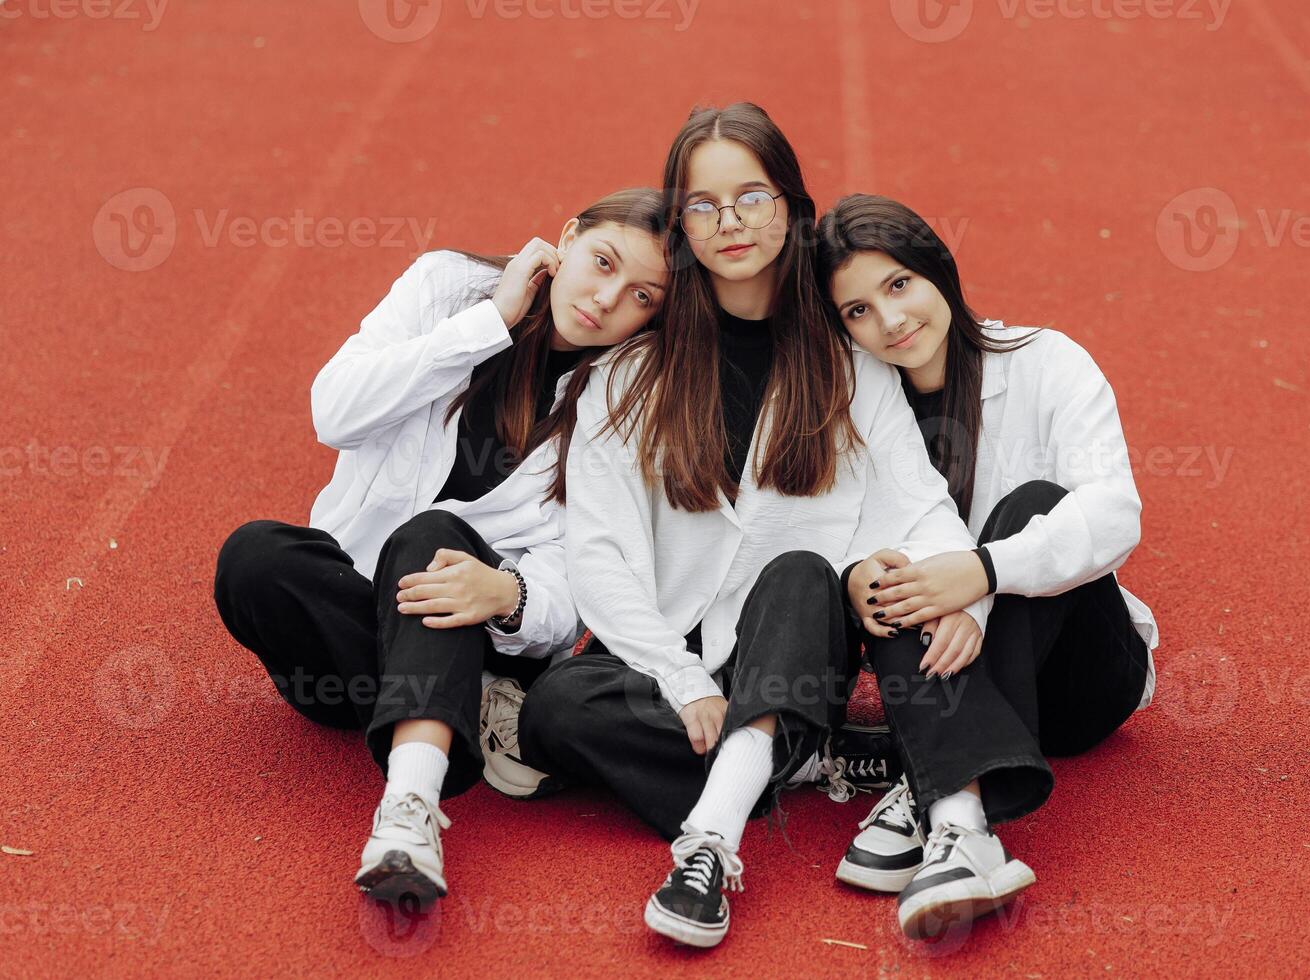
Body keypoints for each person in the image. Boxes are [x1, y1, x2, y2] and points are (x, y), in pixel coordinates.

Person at [516, 105, 988, 948]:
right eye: (704, 205)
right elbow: (598, 552)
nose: (730, 222)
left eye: (752, 196)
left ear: (792, 206)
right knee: (555, 707)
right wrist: (682, 679)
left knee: (802, 570)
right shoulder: (629, 376)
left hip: (800, 648)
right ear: (681, 224)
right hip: (685, 673)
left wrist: (968, 592)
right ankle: (807, 760)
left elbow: (920, 505)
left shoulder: (849, 364)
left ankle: (711, 843)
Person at [212, 189, 670, 906]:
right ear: (567, 237)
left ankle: (408, 813)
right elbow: (335, 411)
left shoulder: (626, 399)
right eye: (602, 262)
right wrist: (490, 323)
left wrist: (510, 596)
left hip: (470, 625)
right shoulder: (446, 286)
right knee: (254, 559)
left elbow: (581, 569)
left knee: (430, 537)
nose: (606, 299)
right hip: (353, 640)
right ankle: (475, 708)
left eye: (641, 295)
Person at [816, 193, 1158, 940]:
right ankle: (959, 819)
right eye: (858, 312)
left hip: (1078, 683)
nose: (891, 321)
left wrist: (983, 572)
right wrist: (865, 572)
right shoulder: (856, 406)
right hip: (948, 666)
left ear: (937, 268)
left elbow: (1114, 514)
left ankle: (925, 774)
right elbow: (834, 527)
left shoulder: (1047, 361)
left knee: (1033, 503)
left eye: (899, 285)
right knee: (891, 567)